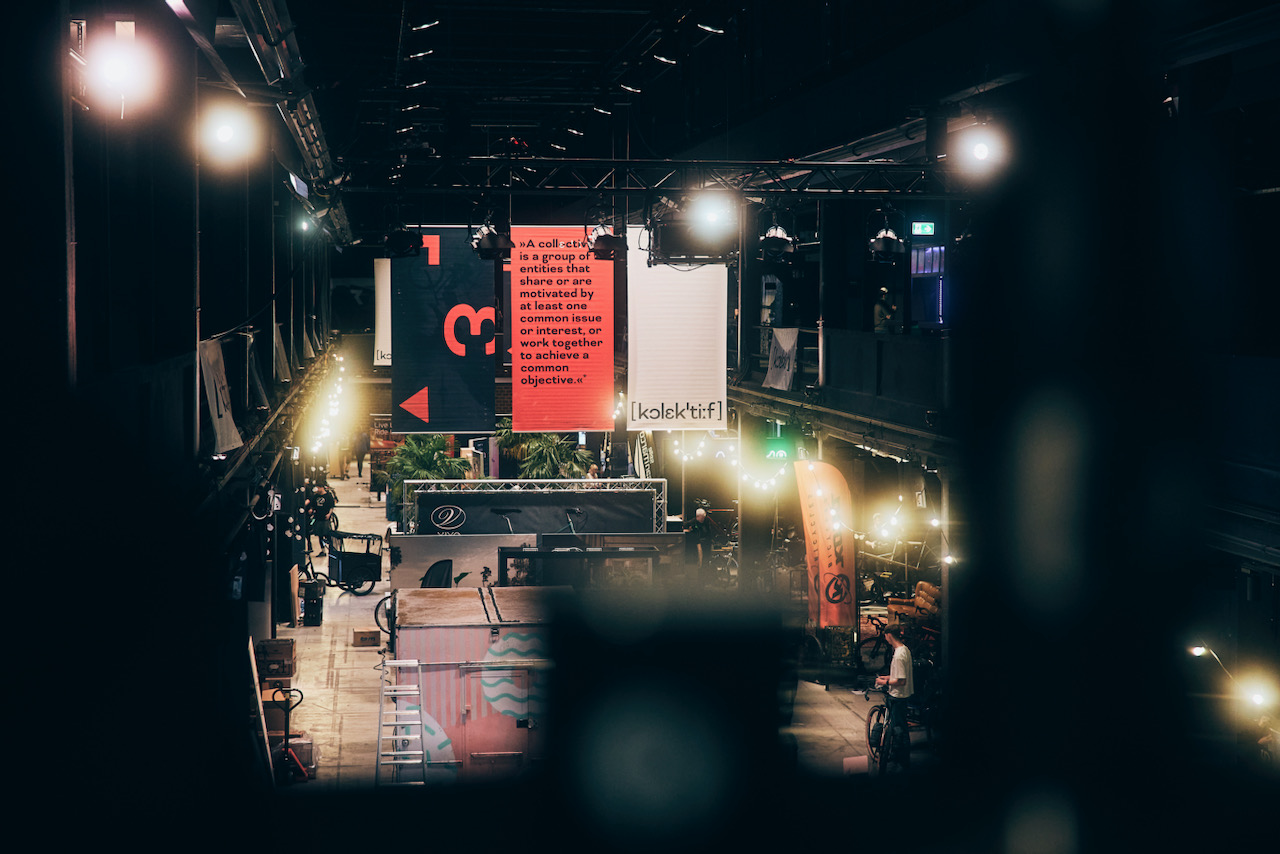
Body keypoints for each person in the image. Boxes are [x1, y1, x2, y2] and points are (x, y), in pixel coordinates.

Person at [874, 621, 914, 767]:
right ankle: (901, 757)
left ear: (889, 635)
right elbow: (900, 675)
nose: (885, 639)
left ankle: (901, 758)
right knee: (901, 728)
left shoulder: (898, 655)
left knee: (899, 729)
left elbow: (901, 681)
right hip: (904, 694)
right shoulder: (905, 650)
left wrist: (884, 682)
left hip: (898, 695)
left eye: (885, 636)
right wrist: (888, 677)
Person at [685, 507, 716, 584]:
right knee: (700, 562)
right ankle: (700, 579)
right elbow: (684, 526)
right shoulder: (693, 522)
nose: (703, 519)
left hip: (706, 544)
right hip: (699, 544)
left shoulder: (706, 521)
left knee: (706, 561)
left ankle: (705, 579)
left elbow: (709, 532)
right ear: (697, 517)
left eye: (703, 517)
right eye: (702, 518)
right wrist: (688, 530)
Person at [305, 483, 335, 556]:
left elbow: (331, 506)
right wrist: (311, 509)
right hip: (318, 517)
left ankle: (331, 549)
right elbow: (313, 505)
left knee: (327, 534)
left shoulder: (328, 496)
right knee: (319, 535)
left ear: (322, 488)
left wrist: (329, 514)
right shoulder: (316, 496)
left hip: (325, 518)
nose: (317, 489)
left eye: (318, 488)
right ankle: (323, 550)